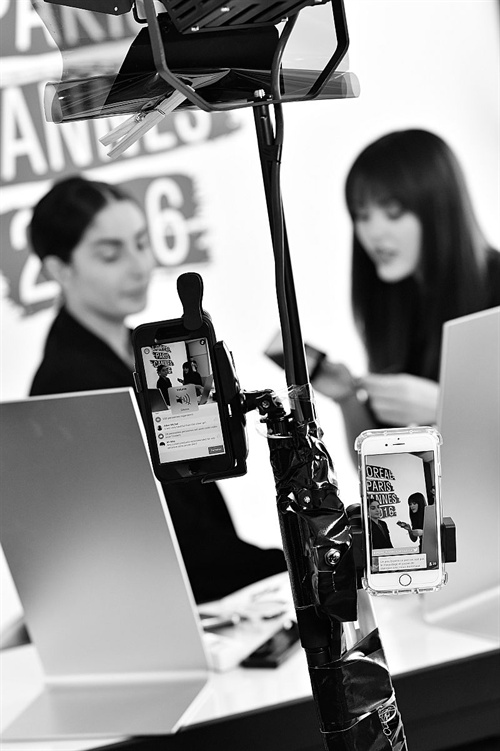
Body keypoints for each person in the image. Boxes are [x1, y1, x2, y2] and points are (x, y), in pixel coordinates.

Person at [28, 175, 286, 602]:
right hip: (178, 600)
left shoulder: (144, 351)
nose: (139, 266)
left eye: (142, 243)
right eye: (111, 255)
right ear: (59, 270)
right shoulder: (70, 386)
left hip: (215, 586)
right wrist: (292, 567)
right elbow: (173, 543)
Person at [313, 129, 500, 457]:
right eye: (362, 215)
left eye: (393, 212)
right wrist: (347, 400)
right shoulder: (392, 303)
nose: (373, 232)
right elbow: (386, 478)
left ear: (439, 207)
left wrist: (445, 406)